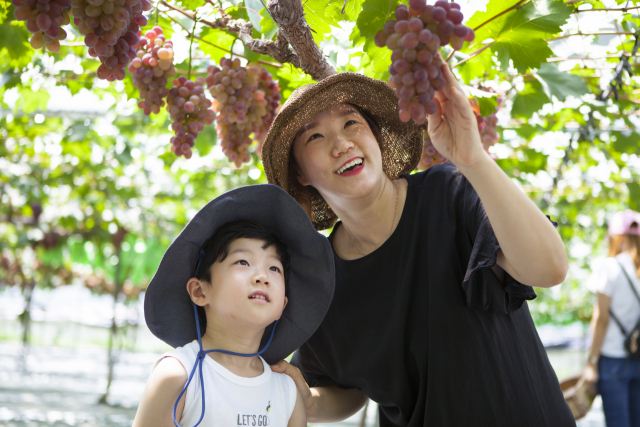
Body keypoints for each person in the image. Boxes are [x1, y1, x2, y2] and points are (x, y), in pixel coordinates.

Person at [261, 61, 575, 426]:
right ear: (300, 172)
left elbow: (549, 268)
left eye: (351, 123)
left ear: (376, 137)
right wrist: (310, 405)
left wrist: (474, 160)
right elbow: (343, 388)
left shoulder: (449, 192)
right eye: (314, 137)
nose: (341, 144)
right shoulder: (323, 281)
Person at [132, 185, 335, 427]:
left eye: (274, 268)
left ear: (282, 306)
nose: (262, 276)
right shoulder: (179, 376)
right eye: (243, 261)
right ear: (200, 291)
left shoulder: (286, 393)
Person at [584, 209, 640, 427]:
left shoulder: (610, 267)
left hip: (613, 360)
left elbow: (601, 319)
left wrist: (591, 362)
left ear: (617, 237)